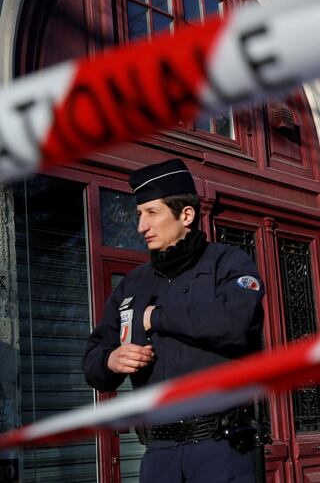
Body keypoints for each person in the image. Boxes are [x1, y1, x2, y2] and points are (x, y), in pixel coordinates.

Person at [83, 158, 266, 483]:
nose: (141, 226)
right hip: (158, 454)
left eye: (151, 213)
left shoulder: (229, 263)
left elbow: (235, 325)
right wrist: (111, 360)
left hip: (221, 448)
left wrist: (156, 317)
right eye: (139, 214)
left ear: (186, 215)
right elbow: (93, 359)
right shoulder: (133, 284)